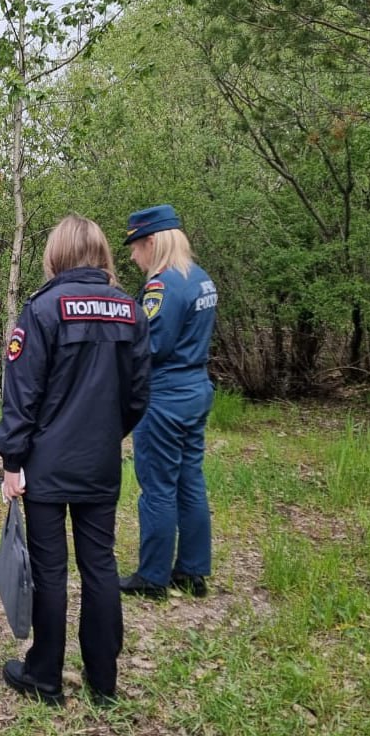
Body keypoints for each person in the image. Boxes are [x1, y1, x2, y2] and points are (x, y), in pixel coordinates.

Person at [0, 214, 150, 706]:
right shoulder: (131, 310)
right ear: (102, 253)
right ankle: (103, 683)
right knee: (100, 565)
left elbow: (21, 397)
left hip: (46, 464)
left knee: (49, 569)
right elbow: (138, 395)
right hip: (100, 462)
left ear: (56, 255)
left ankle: (44, 677)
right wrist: (107, 436)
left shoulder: (42, 310)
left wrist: (12, 461)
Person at [118, 204, 218, 600]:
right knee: (190, 481)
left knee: (158, 486)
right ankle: (193, 572)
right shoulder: (200, 279)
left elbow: (150, 346)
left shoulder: (162, 286)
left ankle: (153, 576)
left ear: (153, 241)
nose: (132, 255)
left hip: (165, 396)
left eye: (135, 245)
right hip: (196, 390)